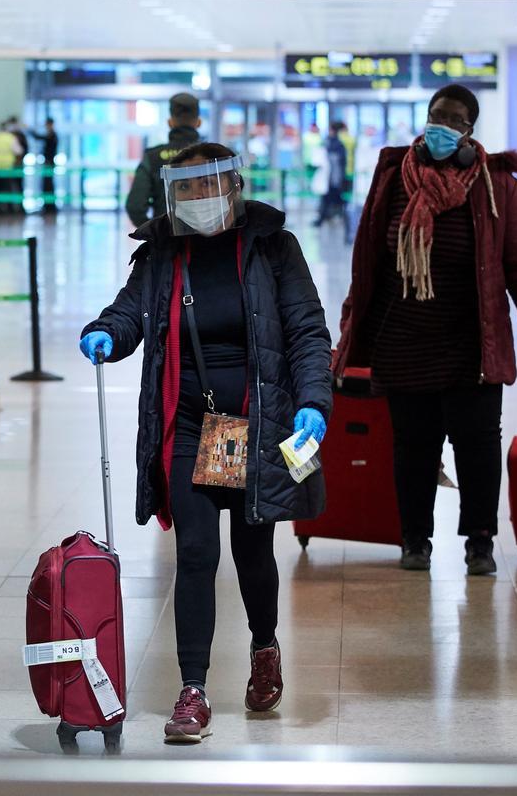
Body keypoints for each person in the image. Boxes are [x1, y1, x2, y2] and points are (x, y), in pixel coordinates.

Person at [79, 144, 333, 743]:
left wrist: (313, 402)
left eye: (210, 186)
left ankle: (264, 646)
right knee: (195, 553)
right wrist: (105, 334)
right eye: (187, 189)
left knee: (252, 551)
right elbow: (129, 313)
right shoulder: (164, 254)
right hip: (190, 424)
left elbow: (305, 330)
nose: (199, 199)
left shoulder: (273, 248)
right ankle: (192, 690)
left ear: (236, 186)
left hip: (252, 424)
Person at [333, 84, 517, 576]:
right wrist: (351, 330)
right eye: (437, 115)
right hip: (403, 338)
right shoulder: (394, 175)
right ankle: (415, 539)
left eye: (454, 118)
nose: (442, 125)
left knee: (477, 445)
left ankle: (479, 542)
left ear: (469, 129)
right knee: (413, 447)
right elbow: (367, 255)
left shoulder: (497, 185)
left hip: (472, 342)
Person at [125, 93, 202, 228]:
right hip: (207, 242)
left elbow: (135, 206)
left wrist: (156, 234)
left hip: (168, 242)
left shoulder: (153, 157)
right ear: (198, 122)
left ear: (170, 123)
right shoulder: (214, 155)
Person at [313, 123, 347, 227]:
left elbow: (339, 162)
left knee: (332, 198)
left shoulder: (335, 144)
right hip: (330, 178)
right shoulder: (331, 143)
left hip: (333, 178)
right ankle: (325, 218)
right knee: (329, 199)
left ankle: (325, 218)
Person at [0, 121, 23, 216]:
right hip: (7, 166)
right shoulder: (10, 138)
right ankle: (8, 209)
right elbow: (18, 151)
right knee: (7, 188)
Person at [31, 117, 60, 213]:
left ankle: (50, 207)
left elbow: (39, 137)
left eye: (46, 124)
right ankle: (47, 206)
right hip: (48, 162)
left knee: (48, 185)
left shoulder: (52, 135)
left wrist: (29, 130)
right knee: (46, 185)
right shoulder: (51, 135)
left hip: (49, 163)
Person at [7, 116, 29, 214]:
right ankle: (10, 207)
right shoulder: (8, 136)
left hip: (18, 165)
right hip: (9, 165)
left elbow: (25, 150)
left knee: (19, 186)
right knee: (9, 187)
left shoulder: (21, 135)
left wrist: (20, 159)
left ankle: (20, 207)